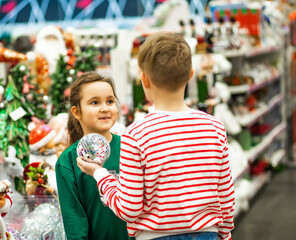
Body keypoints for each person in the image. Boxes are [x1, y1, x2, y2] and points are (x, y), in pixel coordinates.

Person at [77, 32, 235, 240]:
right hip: (208, 234)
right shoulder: (214, 126)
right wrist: (224, 234)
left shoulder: (136, 134)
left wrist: (100, 174)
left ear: (144, 79)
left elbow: (129, 208)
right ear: (190, 74)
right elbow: (225, 196)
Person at [55, 72, 131, 240]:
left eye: (110, 101)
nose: (105, 108)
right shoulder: (67, 161)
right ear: (76, 112)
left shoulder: (130, 147)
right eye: (95, 102)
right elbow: (74, 218)